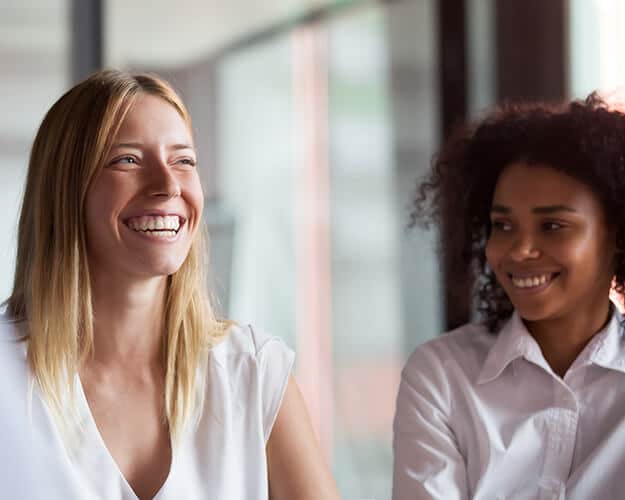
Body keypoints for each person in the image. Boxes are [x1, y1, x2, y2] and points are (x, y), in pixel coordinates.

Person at [1, 70, 340, 500]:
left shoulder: (252, 373)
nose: (167, 186)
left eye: (183, 161)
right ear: (66, 189)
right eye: (128, 160)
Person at [393, 94, 625, 499]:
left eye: (552, 226)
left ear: (618, 236)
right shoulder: (442, 376)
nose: (518, 250)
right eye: (503, 226)